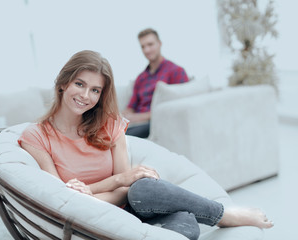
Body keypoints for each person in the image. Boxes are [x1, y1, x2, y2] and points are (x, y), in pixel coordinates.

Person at [18, 50, 273, 240]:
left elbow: (126, 189)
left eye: (95, 90)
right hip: (91, 221)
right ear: (63, 83)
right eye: (80, 84)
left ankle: (222, 214)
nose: (86, 96)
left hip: (132, 206)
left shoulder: (109, 124)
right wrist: (117, 181)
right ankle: (226, 215)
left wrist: (102, 188)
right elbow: (61, 197)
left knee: (151, 195)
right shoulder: (37, 136)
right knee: (152, 196)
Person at [123, 28, 189, 138]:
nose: (147, 50)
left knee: (119, 138)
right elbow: (131, 106)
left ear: (159, 44)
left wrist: (140, 117)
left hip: (155, 123)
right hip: (136, 123)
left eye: (150, 44)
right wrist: (120, 115)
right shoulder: (141, 78)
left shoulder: (176, 71)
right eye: (143, 46)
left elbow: (180, 109)